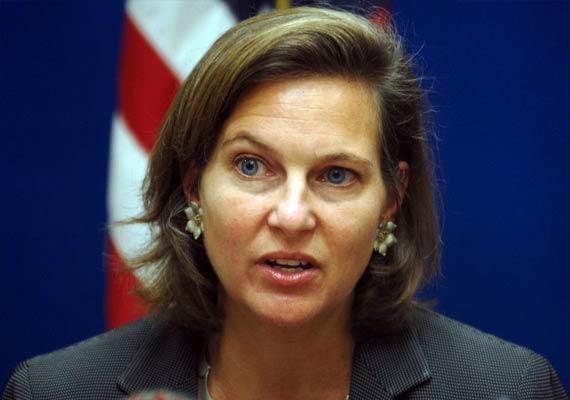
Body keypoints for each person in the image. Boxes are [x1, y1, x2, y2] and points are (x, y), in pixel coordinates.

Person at [3, 6, 567, 400]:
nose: (293, 216)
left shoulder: (507, 390)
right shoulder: (53, 392)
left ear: (390, 200)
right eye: (252, 166)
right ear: (194, 183)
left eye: (337, 175)